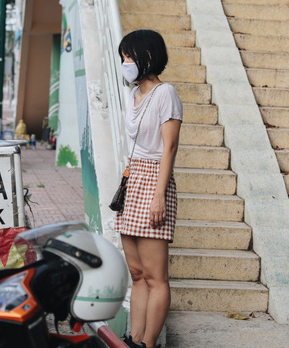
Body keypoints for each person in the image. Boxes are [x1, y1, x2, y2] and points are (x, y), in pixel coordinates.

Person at [114, 30, 182, 348]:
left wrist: (159, 195)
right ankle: (134, 338)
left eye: (130, 56)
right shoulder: (134, 95)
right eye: (124, 57)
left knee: (156, 277)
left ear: (148, 56)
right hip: (133, 178)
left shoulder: (166, 93)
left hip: (155, 179)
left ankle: (148, 343)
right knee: (137, 273)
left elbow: (168, 148)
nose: (126, 62)